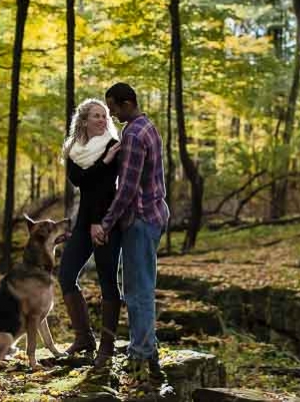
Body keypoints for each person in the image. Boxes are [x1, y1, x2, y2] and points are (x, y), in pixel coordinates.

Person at [91, 82, 169, 381]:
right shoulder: (148, 126)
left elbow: (126, 189)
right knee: (141, 287)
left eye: (113, 109)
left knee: (138, 292)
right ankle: (146, 350)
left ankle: (142, 357)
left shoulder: (134, 134)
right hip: (153, 214)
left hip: (140, 219)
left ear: (126, 104)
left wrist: (107, 222)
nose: (111, 115)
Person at [58, 98, 123, 365]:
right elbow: (80, 180)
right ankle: (84, 337)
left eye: (105, 115)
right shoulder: (74, 149)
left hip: (108, 219)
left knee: (107, 279)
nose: (103, 120)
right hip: (85, 221)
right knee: (66, 274)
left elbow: (105, 186)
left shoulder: (113, 145)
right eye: (96, 116)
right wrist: (103, 163)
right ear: (83, 121)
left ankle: (107, 347)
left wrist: (100, 222)